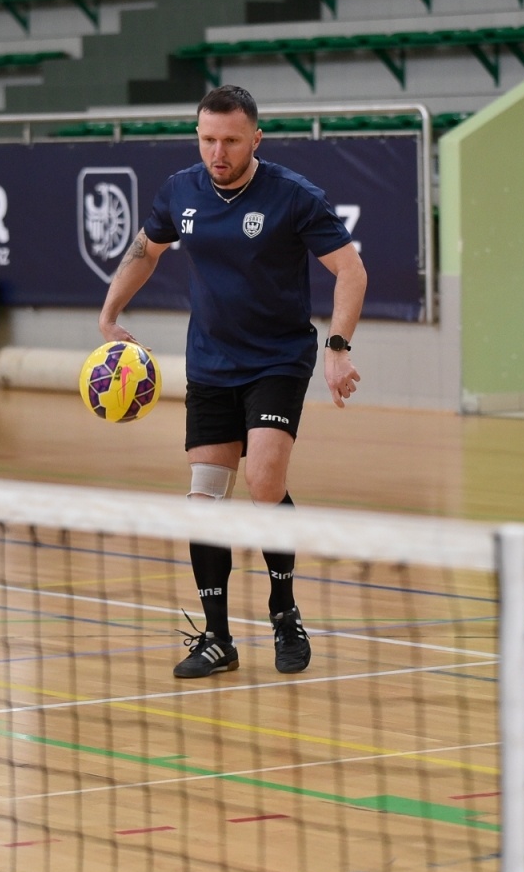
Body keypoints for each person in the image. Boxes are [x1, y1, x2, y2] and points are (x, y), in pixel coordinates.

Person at [98, 84, 367, 679]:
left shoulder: (294, 195)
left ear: (256, 139)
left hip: (276, 360)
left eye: (231, 141)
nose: (217, 152)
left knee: (264, 481)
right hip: (211, 363)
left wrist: (338, 349)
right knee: (204, 501)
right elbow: (146, 249)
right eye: (208, 139)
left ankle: (284, 612)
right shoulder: (181, 189)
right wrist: (110, 313)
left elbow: (350, 269)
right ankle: (217, 637)